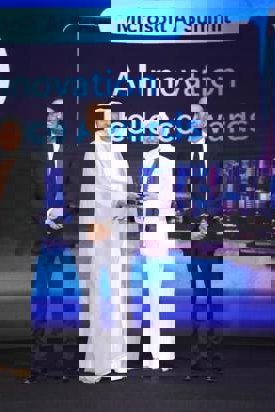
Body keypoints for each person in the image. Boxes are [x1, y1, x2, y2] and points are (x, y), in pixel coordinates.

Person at [78, 102, 139, 384]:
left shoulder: (117, 153)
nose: (110, 124)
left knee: (117, 295)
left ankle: (116, 360)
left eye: (113, 120)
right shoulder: (89, 153)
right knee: (99, 294)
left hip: (116, 233)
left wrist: (129, 201)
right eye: (105, 120)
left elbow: (124, 188)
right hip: (99, 231)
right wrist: (119, 201)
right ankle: (98, 362)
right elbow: (90, 195)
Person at [24, 99, 81, 384]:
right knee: (40, 303)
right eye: (49, 117)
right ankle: (38, 365)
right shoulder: (34, 157)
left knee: (66, 302)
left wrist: (63, 214)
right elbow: (26, 198)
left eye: (58, 116)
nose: (53, 121)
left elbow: (79, 193)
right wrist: (45, 215)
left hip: (66, 238)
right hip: (44, 239)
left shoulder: (73, 155)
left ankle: (66, 365)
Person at [179, 98, 224, 383]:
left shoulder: (217, 155)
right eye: (192, 118)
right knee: (197, 296)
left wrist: (210, 217)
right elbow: (181, 198)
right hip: (196, 238)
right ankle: (196, 358)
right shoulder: (186, 157)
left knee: (212, 297)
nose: (196, 121)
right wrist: (193, 224)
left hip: (213, 237)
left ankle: (214, 358)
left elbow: (224, 194)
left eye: (199, 116)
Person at [135, 124, 177, 373]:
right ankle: (152, 354)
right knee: (150, 297)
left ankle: (160, 354)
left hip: (159, 236)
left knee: (159, 296)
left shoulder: (164, 163)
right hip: (149, 237)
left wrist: (149, 204)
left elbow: (167, 203)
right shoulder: (146, 165)